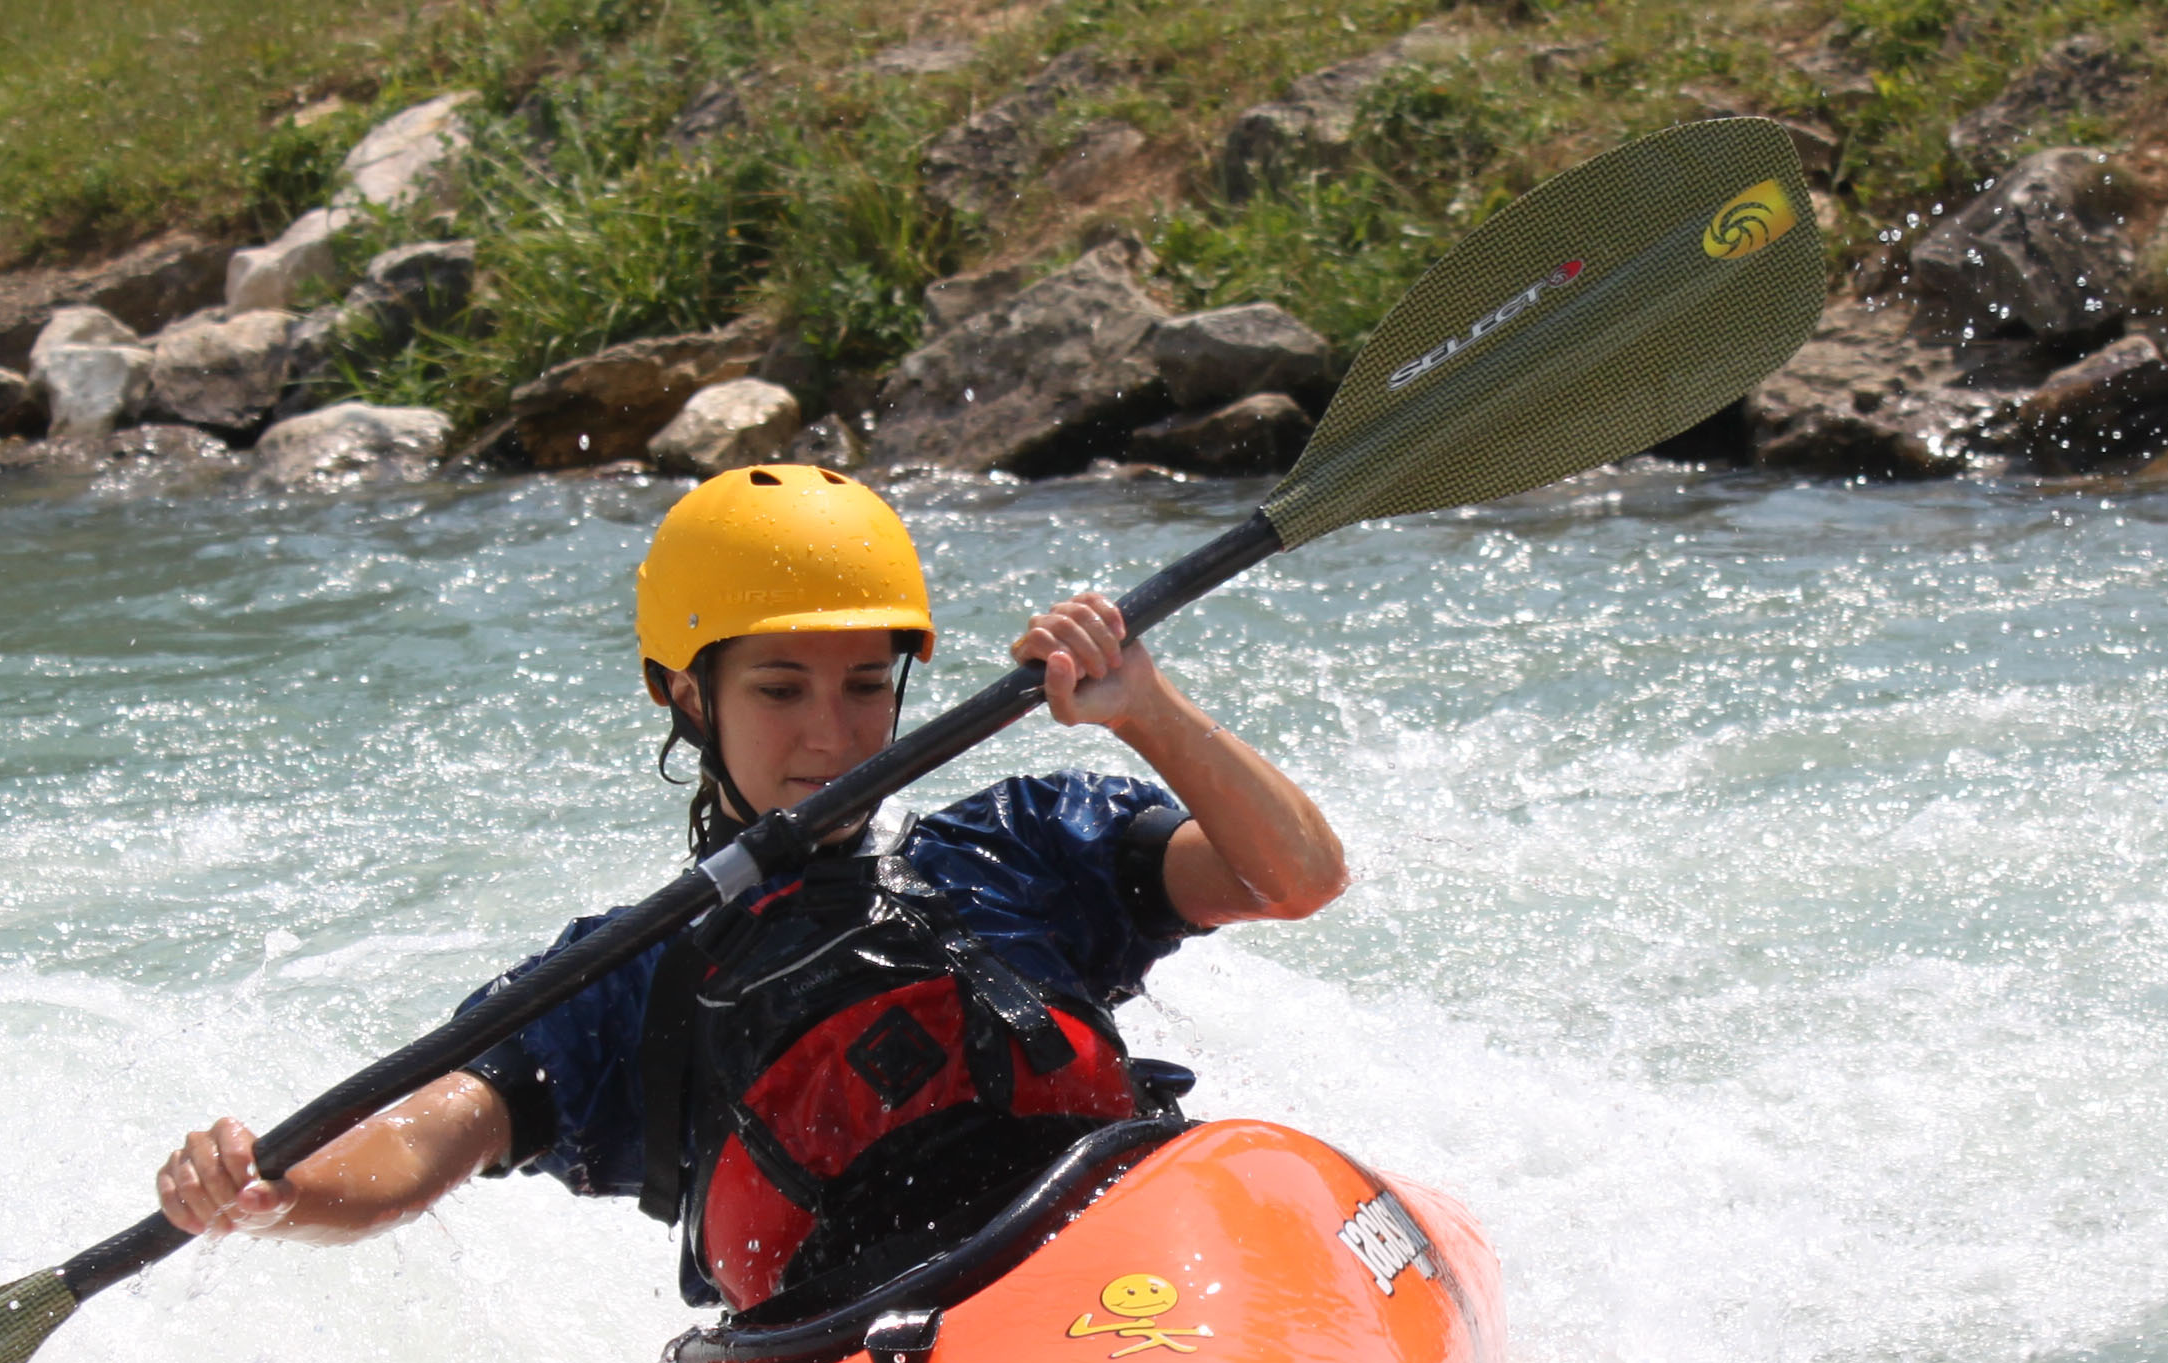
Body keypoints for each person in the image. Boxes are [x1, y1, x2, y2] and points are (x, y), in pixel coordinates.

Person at [156, 464, 1350, 1318]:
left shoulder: (1018, 851)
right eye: (780, 690)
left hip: (1127, 1297)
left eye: (865, 686)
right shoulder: (628, 978)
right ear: (686, 696)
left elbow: (1295, 876)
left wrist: (1145, 708)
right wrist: (272, 1186)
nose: (831, 734)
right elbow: (418, 1144)